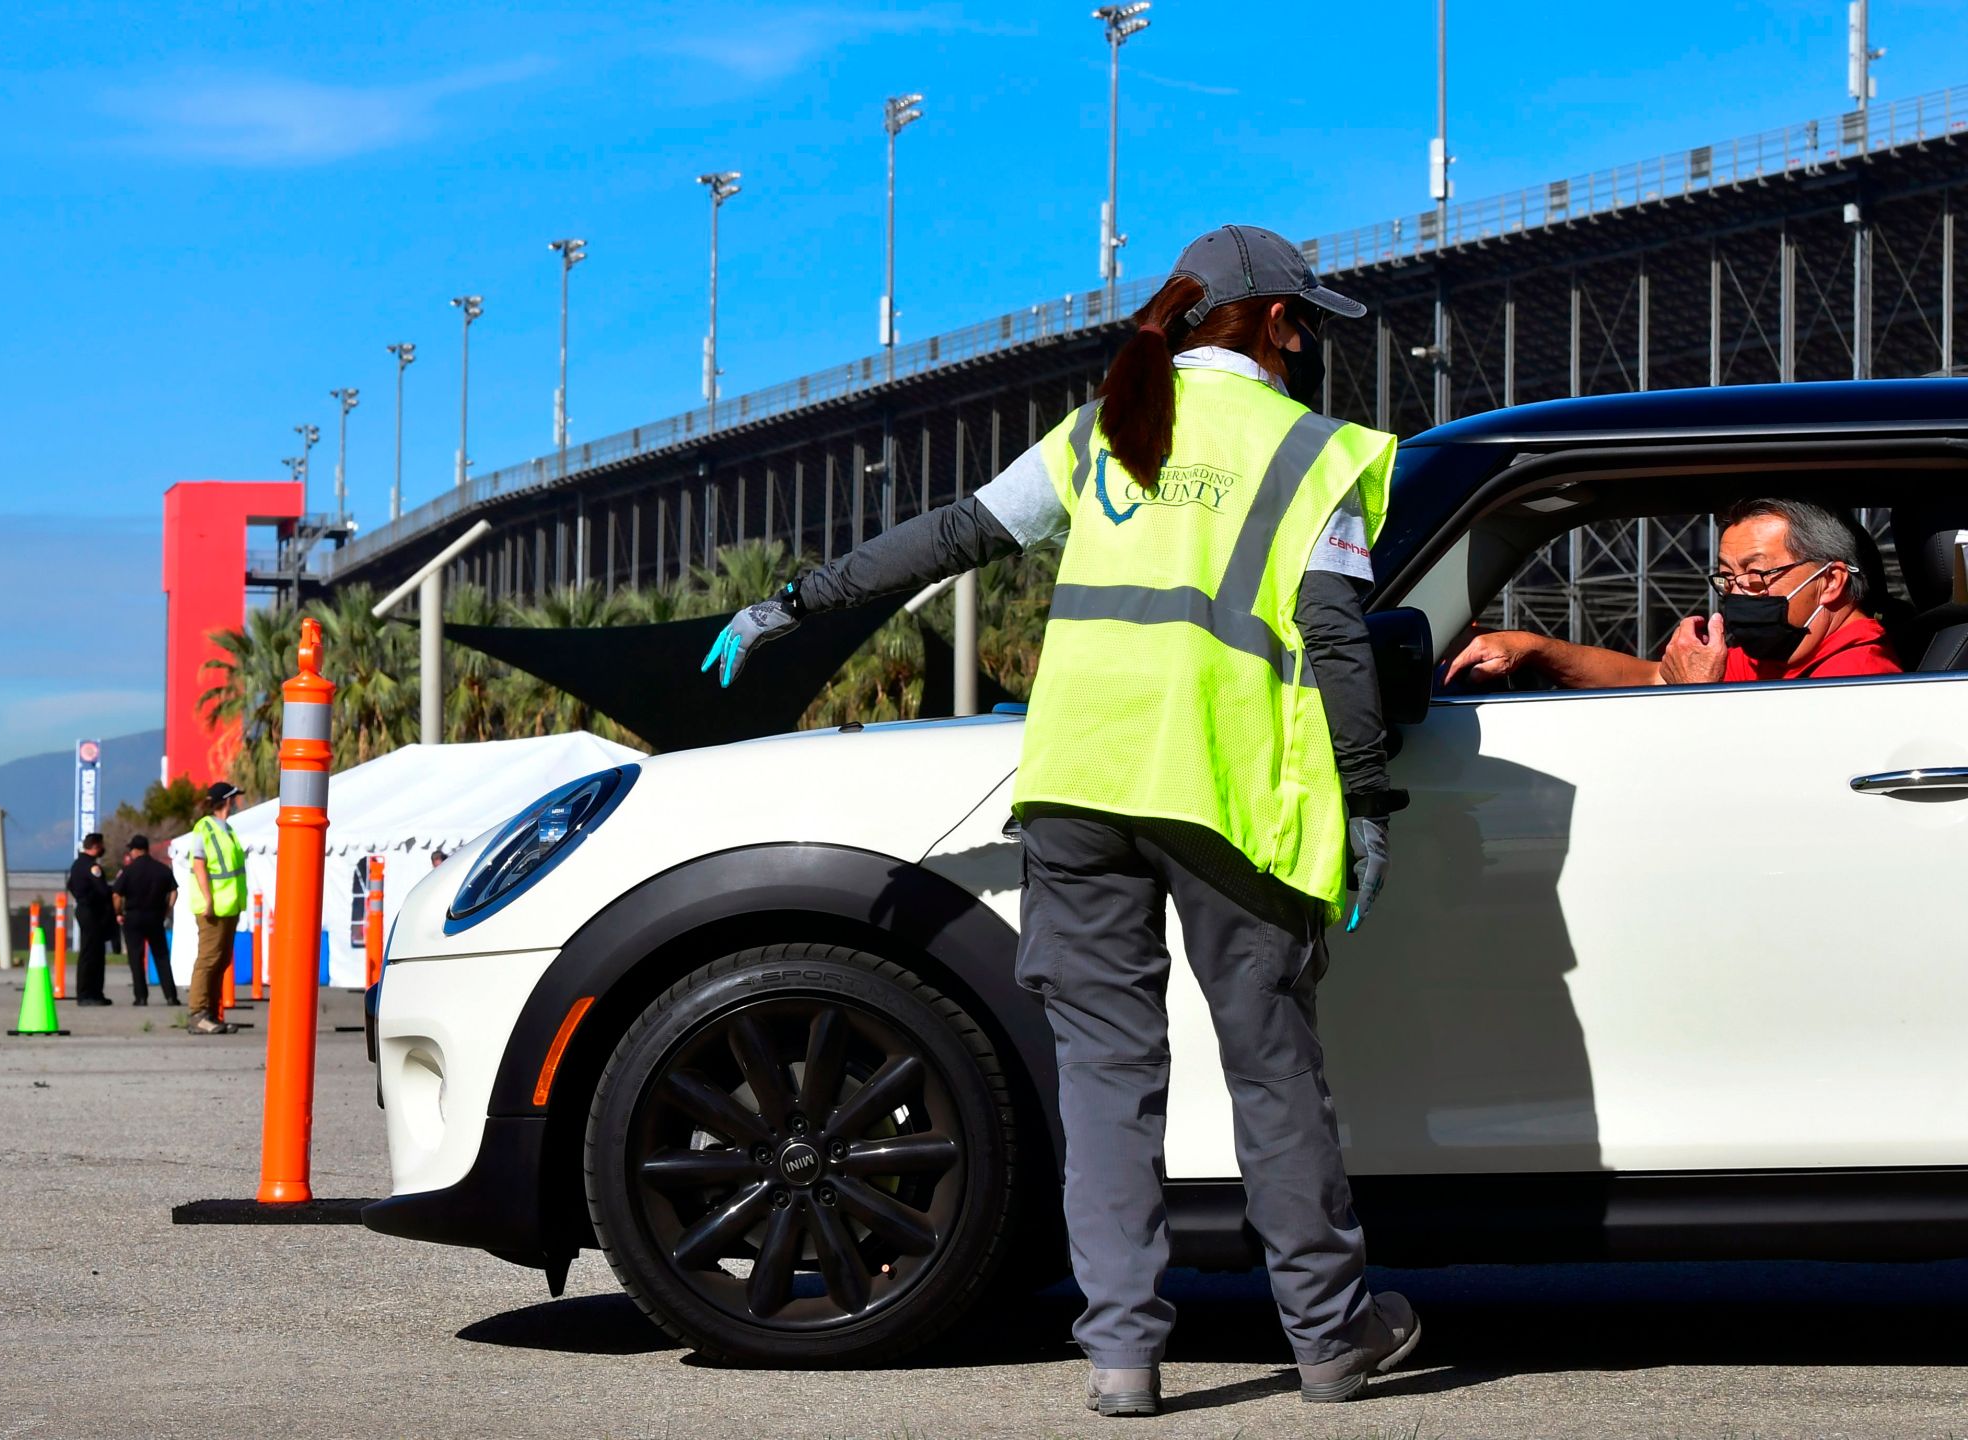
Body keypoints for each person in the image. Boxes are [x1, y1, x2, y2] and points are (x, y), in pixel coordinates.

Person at [706, 225, 1421, 1415]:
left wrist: (796, 602)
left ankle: (1124, 1356)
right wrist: (1366, 799)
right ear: (1279, 326)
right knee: (1271, 1070)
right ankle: (1331, 1338)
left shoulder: (1101, 435)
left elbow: (951, 537)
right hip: (1222, 790)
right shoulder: (1314, 454)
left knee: (1104, 1075)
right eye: (1308, 325)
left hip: (1077, 786)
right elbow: (1339, 639)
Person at [1444, 498, 1904, 689]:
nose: (1739, 591)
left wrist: (1697, 697)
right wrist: (1537, 648)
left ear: (1830, 582)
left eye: (1757, 573)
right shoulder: (1786, 650)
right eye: (1727, 575)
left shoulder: (1858, 676)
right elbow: (1650, 678)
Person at [184, 782, 246, 1034]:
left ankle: (212, 1012)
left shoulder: (227, 829)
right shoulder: (205, 827)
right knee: (208, 960)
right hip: (213, 906)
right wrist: (208, 899)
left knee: (221, 960)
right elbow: (200, 864)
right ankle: (198, 1013)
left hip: (229, 905)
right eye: (235, 798)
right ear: (227, 801)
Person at [114, 834, 181, 1007]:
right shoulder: (162, 869)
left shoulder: (128, 871)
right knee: (161, 956)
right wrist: (167, 910)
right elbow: (174, 891)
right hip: (155, 917)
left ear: (136, 850)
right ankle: (171, 996)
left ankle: (141, 997)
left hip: (134, 917)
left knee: (136, 958)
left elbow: (116, 894)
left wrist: (118, 912)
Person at [66, 832, 117, 1005]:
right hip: (92, 912)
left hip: (84, 909)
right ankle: (87, 993)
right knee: (91, 953)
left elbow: (70, 885)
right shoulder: (92, 867)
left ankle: (94, 993)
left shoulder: (76, 865)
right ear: (95, 846)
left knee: (93, 952)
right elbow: (102, 891)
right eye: (101, 846)